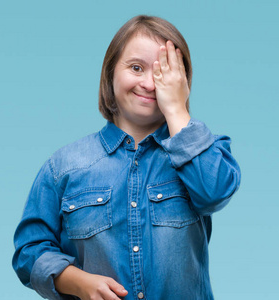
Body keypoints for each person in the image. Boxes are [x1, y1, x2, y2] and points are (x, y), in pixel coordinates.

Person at [12, 15, 241, 300]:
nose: (148, 83)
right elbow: (29, 252)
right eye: (136, 67)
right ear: (110, 74)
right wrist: (78, 282)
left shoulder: (205, 152)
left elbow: (214, 193)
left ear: (182, 83)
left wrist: (177, 110)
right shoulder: (63, 167)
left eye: (162, 74)